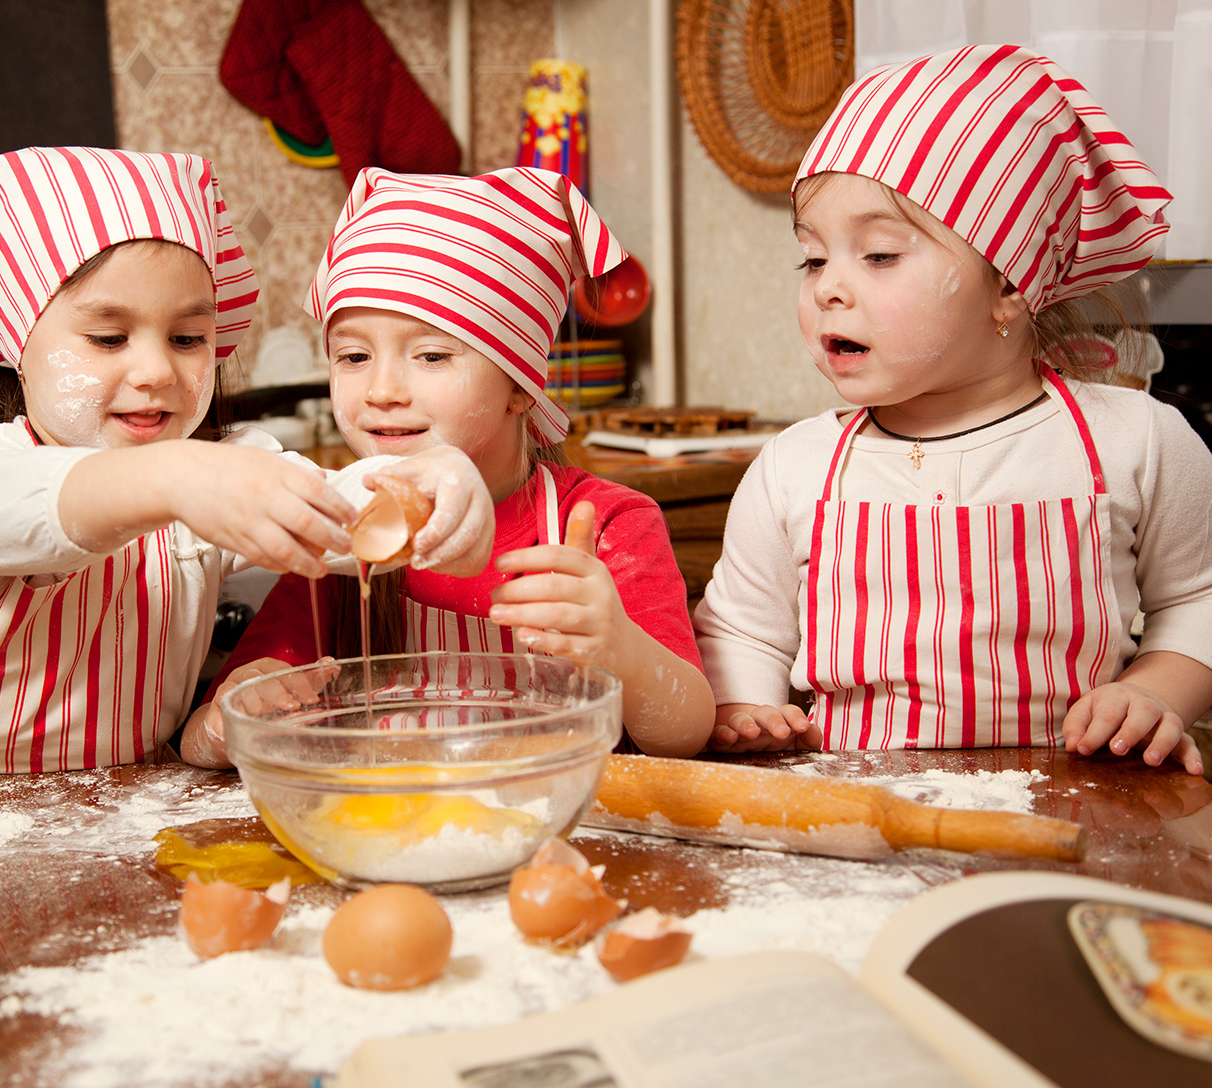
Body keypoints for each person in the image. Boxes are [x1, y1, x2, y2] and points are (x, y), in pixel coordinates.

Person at [0, 147, 494, 789]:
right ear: (18, 337)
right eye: (108, 338)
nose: (158, 370)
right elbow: (57, 501)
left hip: (121, 812)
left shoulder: (216, 467)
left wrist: (428, 483)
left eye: (189, 338)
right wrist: (179, 478)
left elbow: (336, 510)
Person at [696, 45, 1212, 774]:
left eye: (877, 255)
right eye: (813, 259)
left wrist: (1158, 690)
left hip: (1090, 804)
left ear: (1008, 284)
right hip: (860, 817)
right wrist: (744, 709)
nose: (827, 289)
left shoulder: (1137, 442)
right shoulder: (795, 469)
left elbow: (1201, 598)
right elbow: (742, 632)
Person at [192, 168, 717, 761]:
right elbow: (199, 741)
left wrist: (618, 646)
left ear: (520, 387)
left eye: (432, 355)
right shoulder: (339, 538)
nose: (382, 390)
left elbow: (685, 733)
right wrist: (229, 721)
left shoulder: (607, 524)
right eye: (355, 355)